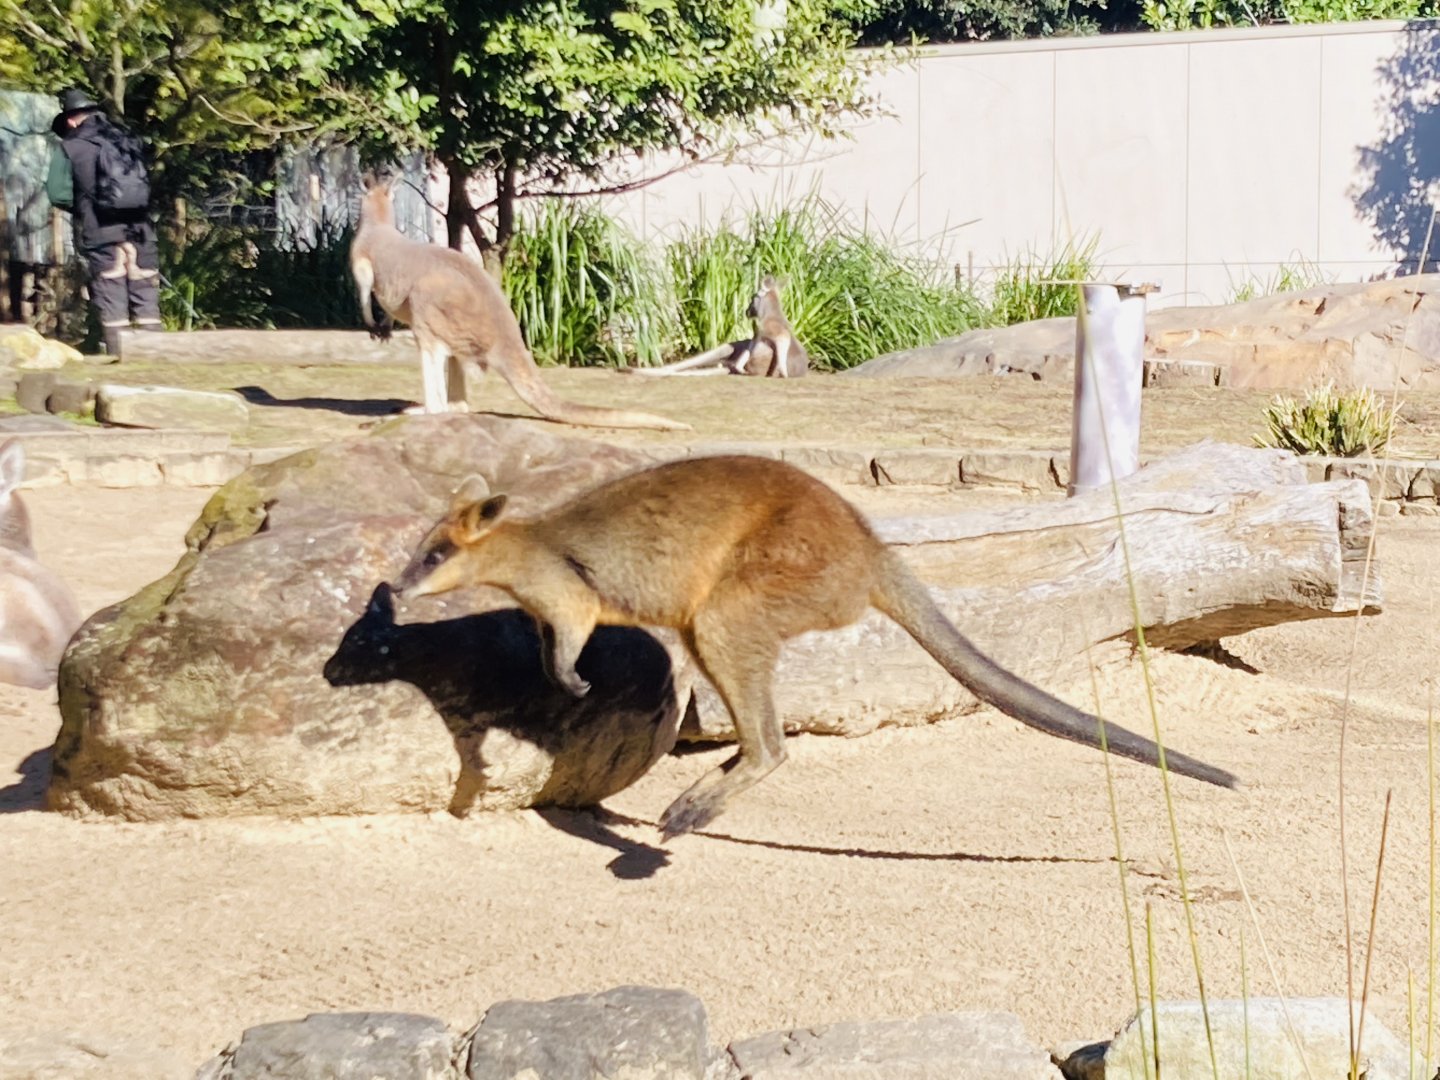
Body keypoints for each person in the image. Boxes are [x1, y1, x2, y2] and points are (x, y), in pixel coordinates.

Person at [45, 89, 162, 357]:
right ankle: (156, 357)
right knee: (145, 295)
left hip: (100, 232)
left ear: (71, 120)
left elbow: (57, 193)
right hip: (140, 230)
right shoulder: (130, 140)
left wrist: (84, 207)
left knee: (111, 294)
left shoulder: (70, 147)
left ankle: (118, 355)